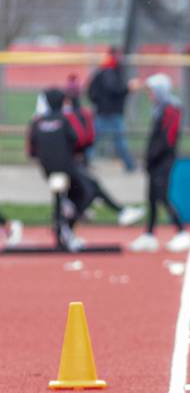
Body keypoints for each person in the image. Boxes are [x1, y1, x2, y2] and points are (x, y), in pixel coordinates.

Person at [64, 77, 144, 227]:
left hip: (71, 161)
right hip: (68, 162)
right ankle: (75, 217)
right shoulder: (72, 115)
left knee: (88, 188)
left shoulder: (74, 113)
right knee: (90, 189)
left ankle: (78, 214)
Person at [129, 74, 190, 252]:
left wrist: (153, 155)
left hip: (163, 161)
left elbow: (167, 140)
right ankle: (149, 235)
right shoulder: (159, 109)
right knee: (151, 198)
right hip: (155, 162)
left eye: (152, 92)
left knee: (162, 197)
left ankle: (182, 232)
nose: (150, 96)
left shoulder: (171, 110)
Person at [28, 89, 88, 251]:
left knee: (58, 197)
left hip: (48, 171)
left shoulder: (38, 121)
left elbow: (32, 149)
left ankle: (61, 230)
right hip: (66, 169)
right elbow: (78, 140)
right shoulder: (65, 119)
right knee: (86, 191)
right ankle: (68, 223)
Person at [87, 46, 140, 172]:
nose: (119, 57)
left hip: (107, 111)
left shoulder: (109, 69)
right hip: (108, 112)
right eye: (117, 55)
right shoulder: (108, 70)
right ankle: (130, 165)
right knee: (114, 139)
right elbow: (113, 89)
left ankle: (129, 165)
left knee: (100, 139)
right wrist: (128, 88)